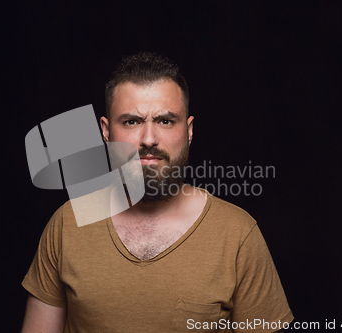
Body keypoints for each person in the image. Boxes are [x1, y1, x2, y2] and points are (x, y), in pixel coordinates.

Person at [21, 52, 293, 333]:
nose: (148, 139)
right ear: (105, 131)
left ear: (188, 131)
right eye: (131, 122)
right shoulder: (68, 224)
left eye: (165, 121)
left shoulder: (237, 235)